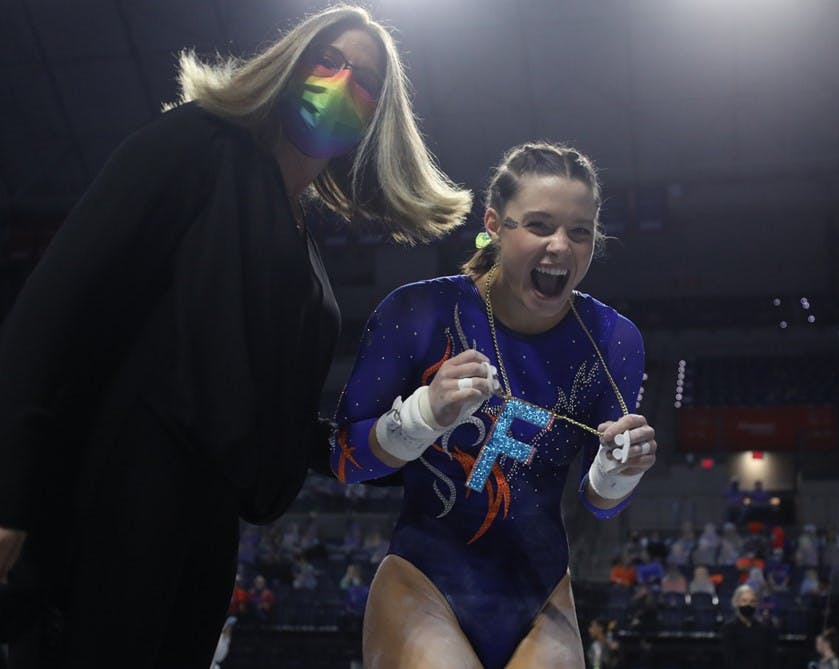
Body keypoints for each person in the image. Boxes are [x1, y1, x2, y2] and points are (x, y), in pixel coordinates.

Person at [0, 4, 471, 666]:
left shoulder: (306, 249)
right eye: (326, 61)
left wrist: (423, 418)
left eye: (362, 79)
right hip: (115, 504)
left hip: (206, 536)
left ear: (376, 118)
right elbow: (54, 307)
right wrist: (10, 493)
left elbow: (282, 428)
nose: (339, 84)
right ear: (287, 68)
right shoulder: (198, 144)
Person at [329, 142, 657, 668]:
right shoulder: (419, 311)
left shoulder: (613, 339)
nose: (560, 246)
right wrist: (420, 417)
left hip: (540, 593)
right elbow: (344, 458)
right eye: (539, 225)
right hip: (425, 582)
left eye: (579, 232)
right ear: (495, 224)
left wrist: (618, 470)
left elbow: (601, 505)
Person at [720, 584, 776, 669]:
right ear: (737, 602)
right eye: (744, 601)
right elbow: (729, 659)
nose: (748, 605)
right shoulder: (729, 629)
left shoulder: (764, 629)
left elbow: (769, 657)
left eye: (752, 601)